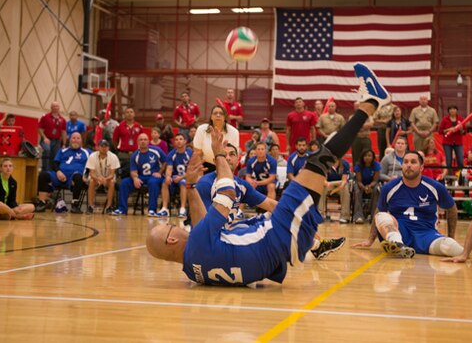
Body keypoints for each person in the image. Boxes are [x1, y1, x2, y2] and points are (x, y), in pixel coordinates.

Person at [145, 62, 388, 285]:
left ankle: (369, 105)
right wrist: (218, 153)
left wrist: (189, 187)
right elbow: (227, 190)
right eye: (168, 226)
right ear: (172, 240)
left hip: (276, 251)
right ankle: (371, 103)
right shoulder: (199, 237)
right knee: (319, 161)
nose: (172, 225)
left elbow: (201, 227)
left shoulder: (192, 269)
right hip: (279, 234)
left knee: (319, 161)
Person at [195, 142, 346, 257]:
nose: (228, 158)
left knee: (275, 216)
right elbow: (205, 222)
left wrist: (299, 218)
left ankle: (315, 245)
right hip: (213, 238)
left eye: (232, 154)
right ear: (216, 160)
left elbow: (270, 204)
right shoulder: (205, 183)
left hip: (232, 231)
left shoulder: (241, 184)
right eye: (224, 154)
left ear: (237, 159)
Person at [353, 150, 462, 258]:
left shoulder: (435, 187)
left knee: (454, 248)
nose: (408, 165)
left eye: (413, 162)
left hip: (426, 235)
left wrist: (451, 237)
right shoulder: (389, 187)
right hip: (398, 232)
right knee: (381, 215)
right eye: (405, 162)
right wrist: (370, 240)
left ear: (421, 167)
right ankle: (398, 245)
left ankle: (401, 247)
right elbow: (378, 212)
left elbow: (452, 208)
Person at [34, 132, 90, 213]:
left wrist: (86, 176)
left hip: (75, 177)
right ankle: (42, 203)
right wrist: (58, 172)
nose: (75, 140)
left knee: (78, 177)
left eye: (78, 138)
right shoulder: (63, 150)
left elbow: (91, 165)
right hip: (60, 175)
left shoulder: (87, 152)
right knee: (43, 175)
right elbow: (55, 163)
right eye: (73, 138)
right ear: (70, 140)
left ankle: (75, 205)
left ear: (81, 140)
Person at [113, 133, 166, 216]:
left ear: (148, 141)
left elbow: (166, 161)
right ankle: (122, 209)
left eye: (145, 139)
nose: (143, 141)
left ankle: (152, 210)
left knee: (153, 182)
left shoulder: (156, 150)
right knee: (124, 183)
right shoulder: (134, 155)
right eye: (141, 140)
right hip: (141, 177)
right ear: (137, 142)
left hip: (154, 177)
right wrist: (135, 179)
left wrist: (160, 172)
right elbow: (133, 171)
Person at [193, 105, 240, 170]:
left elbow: (234, 155)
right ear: (211, 117)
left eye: (221, 113)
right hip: (206, 166)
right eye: (215, 113)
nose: (218, 115)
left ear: (225, 117)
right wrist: (199, 167)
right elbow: (197, 152)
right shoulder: (201, 129)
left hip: (226, 165)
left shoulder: (234, 132)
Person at [85, 139, 120, 214]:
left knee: (112, 182)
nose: (104, 148)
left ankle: (108, 207)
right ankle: (90, 206)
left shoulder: (113, 157)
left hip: (108, 178)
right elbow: (91, 173)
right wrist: (98, 178)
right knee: (91, 181)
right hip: (96, 177)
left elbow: (112, 173)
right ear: (98, 147)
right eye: (102, 146)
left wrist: (105, 179)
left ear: (108, 148)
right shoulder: (92, 156)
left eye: (106, 146)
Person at [162, 133, 192, 218]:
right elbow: (169, 168)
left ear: (185, 141)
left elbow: (191, 170)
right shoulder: (172, 154)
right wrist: (168, 177)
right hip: (175, 178)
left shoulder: (190, 153)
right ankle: (165, 209)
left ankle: (182, 209)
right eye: (176, 139)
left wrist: (181, 177)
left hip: (186, 177)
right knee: (165, 182)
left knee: (183, 183)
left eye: (180, 139)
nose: (178, 141)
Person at [352, 149, 380, 224]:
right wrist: (365, 188)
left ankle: (373, 215)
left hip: (372, 184)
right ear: (362, 157)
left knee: (376, 190)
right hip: (360, 184)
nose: (367, 157)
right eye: (365, 156)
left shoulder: (376, 165)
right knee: (357, 191)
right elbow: (359, 181)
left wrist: (370, 186)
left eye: (369, 155)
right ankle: (358, 216)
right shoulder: (358, 166)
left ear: (373, 157)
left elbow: (375, 180)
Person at [113, 107, 144, 174]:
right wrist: (119, 150)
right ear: (124, 114)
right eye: (127, 112)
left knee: (137, 172)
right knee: (122, 173)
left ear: (134, 114)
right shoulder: (119, 126)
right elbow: (114, 140)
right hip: (123, 154)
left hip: (136, 153)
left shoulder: (139, 126)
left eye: (131, 112)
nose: (129, 114)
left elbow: (143, 140)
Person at [38, 101, 66, 171]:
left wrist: (64, 144)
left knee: (55, 156)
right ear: (51, 107)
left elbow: (63, 132)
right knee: (47, 150)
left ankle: (52, 172)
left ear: (59, 108)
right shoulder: (45, 117)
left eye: (57, 106)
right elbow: (39, 129)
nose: (55, 108)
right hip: (46, 139)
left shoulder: (62, 119)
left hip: (57, 141)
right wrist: (44, 138)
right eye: (54, 106)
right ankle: (44, 170)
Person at [439, 105, 466, 175]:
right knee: (448, 161)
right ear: (448, 111)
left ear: (457, 110)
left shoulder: (461, 119)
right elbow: (440, 131)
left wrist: (461, 129)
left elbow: (464, 132)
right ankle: (449, 178)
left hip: (458, 142)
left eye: (454, 109)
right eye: (450, 109)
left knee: (460, 160)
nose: (452, 110)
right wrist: (448, 130)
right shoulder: (445, 119)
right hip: (447, 142)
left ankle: (461, 177)